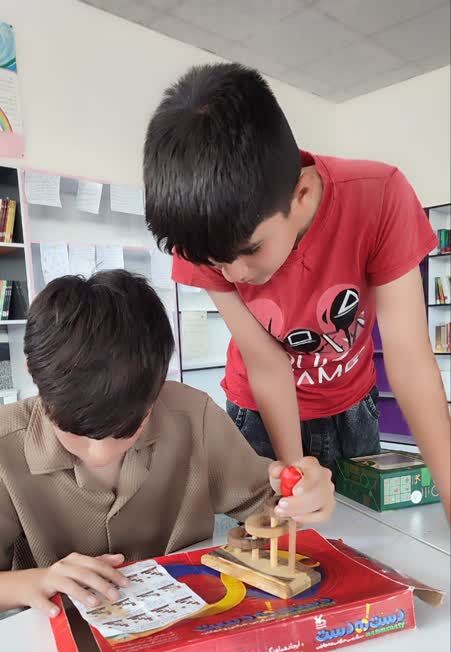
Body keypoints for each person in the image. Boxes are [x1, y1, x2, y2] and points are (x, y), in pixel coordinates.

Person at [143, 62, 450, 520]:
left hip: (352, 408)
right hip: (259, 416)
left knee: (366, 540)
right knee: (282, 537)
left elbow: (408, 359)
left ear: (302, 194)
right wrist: (295, 476)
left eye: (250, 250)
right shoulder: (201, 235)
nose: (234, 275)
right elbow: (265, 361)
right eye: (215, 263)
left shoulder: (380, 197)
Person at [0, 271, 334, 617]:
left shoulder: (192, 416)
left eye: (126, 429)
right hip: (52, 633)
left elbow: (271, 506)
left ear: (158, 387)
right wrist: (34, 581)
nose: (100, 452)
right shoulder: (5, 444)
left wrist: (304, 496)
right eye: (74, 431)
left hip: (186, 620)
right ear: (34, 374)